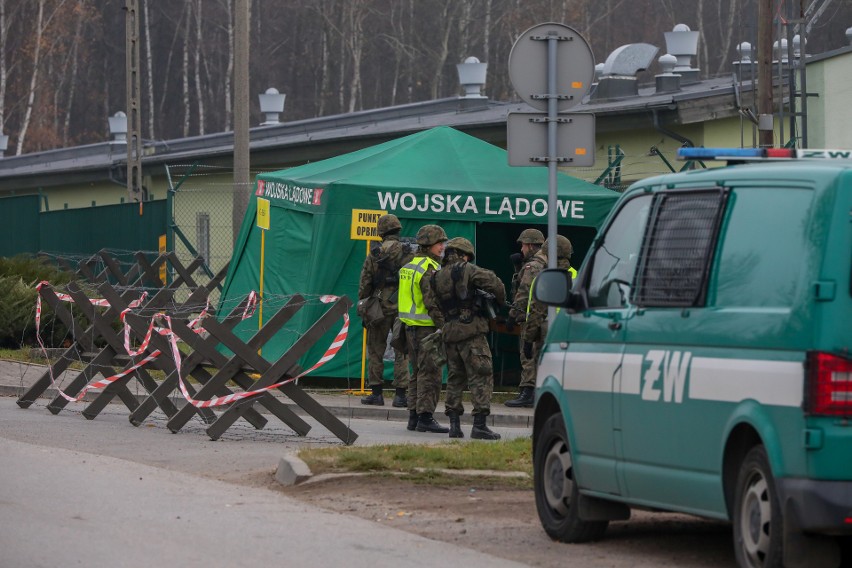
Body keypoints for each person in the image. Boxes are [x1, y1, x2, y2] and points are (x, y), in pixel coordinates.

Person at [426, 237, 506, 440]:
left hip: (450, 332)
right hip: (471, 332)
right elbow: (495, 284)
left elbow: (434, 305)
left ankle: (454, 425)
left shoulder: (436, 276)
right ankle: (479, 425)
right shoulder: (467, 269)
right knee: (481, 376)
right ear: (464, 255)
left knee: (455, 378)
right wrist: (499, 300)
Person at [358, 214, 413, 407]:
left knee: (375, 351)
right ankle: (400, 396)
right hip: (402, 308)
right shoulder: (409, 252)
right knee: (402, 352)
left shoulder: (375, 253)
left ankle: (377, 394)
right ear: (398, 229)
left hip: (379, 308)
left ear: (381, 231)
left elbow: (365, 284)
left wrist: (364, 308)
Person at [398, 224, 448, 433]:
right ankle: (425, 417)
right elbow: (431, 302)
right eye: (439, 243)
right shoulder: (429, 268)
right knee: (431, 374)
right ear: (428, 245)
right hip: (426, 329)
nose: (442, 247)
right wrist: (444, 326)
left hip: (409, 328)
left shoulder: (410, 265)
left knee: (416, 373)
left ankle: (413, 417)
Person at [505, 228, 545, 408]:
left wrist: (513, 315)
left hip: (530, 317)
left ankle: (527, 392)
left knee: (527, 355)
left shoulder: (533, 266)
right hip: (541, 317)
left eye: (522, 245)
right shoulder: (543, 263)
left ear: (529, 245)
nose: (521, 249)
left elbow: (524, 291)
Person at [523, 235, 575, 361]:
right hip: (572, 332)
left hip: (549, 332)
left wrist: (528, 339)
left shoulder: (547, 278)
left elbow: (537, 310)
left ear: (549, 255)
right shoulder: (577, 275)